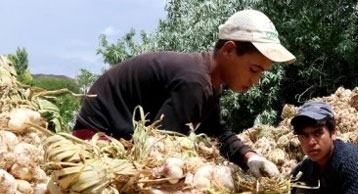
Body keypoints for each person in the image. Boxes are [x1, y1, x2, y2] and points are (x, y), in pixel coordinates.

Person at [72, 9, 295, 178]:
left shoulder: (206, 82)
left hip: (114, 137)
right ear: (228, 50)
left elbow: (216, 130)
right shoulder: (195, 83)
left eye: (261, 73)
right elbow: (159, 147)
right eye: (254, 70)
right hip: (95, 142)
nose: (255, 81)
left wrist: (249, 156)